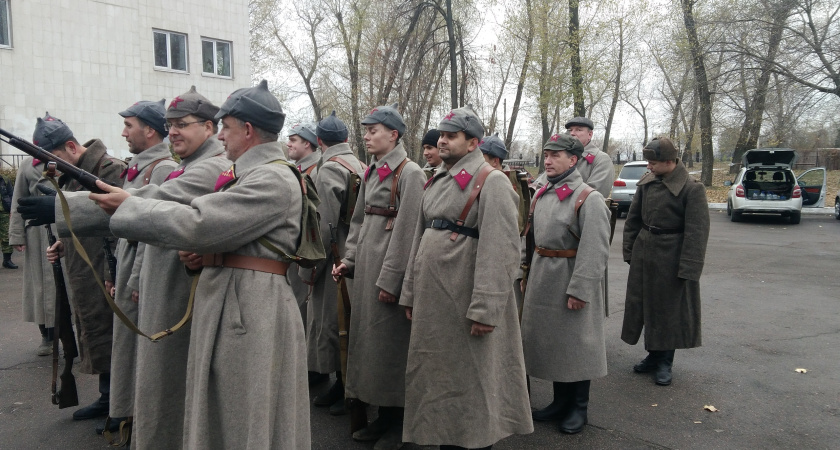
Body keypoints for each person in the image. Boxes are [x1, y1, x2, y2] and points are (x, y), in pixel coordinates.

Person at [90, 80, 310, 449]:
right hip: (236, 298)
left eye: (225, 127)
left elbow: (200, 223)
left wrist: (129, 207)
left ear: (248, 130)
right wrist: (204, 257)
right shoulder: (249, 172)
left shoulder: (271, 177)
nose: (220, 136)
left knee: (244, 412)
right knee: (225, 409)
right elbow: (228, 236)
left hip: (252, 307)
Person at [28, 86, 231, 449]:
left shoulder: (203, 167)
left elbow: (151, 202)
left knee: (165, 373)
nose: (174, 133)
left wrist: (66, 208)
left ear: (209, 128)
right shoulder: (187, 165)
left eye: (182, 124)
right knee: (155, 372)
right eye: (171, 125)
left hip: (171, 281)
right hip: (158, 275)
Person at [400, 106, 533, 450]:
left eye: (450, 136)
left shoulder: (493, 181)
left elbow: (501, 250)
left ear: (473, 143)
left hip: (465, 299)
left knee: (472, 383)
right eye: (441, 135)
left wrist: (486, 309)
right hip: (435, 299)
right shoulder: (437, 177)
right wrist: (410, 292)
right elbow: (419, 239)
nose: (441, 141)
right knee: (439, 380)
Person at [332, 103, 425, 450]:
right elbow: (358, 222)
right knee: (370, 349)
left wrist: (392, 279)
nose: (367, 136)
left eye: (374, 130)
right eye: (366, 130)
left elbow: (408, 231)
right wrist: (349, 260)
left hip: (390, 274)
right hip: (367, 270)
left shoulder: (409, 172)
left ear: (394, 134)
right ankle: (384, 417)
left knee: (391, 349)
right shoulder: (373, 170)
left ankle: (399, 423)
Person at [38, 113, 127, 425]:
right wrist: (64, 243)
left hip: (107, 267)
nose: (51, 166)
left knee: (113, 334)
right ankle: (107, 397)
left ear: (71, 147)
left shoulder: (109, 168)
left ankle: (121, 403)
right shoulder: (75, 173)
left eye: (55, 158)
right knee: (97, 332)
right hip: (86, 266)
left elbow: (117, 219)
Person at [520, 133, 611, 435]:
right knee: (555, 344)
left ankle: (578, 408)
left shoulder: (589, 198)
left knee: (575, 345)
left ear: (573, 160)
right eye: (546, 154)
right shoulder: (541, 193)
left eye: (556, 155)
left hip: (570, 276)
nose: (548, 160)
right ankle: (560, 402)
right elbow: (529, 236)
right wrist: (524, 270)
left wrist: (581, 289)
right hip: (543, 275)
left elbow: (595, 248)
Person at [103, 99, 178, 434]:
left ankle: (136, 416)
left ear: (150, 130)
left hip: (140, 267)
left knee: (138, 345)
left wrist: (136, 280)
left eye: (129, 125)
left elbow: (154, 232)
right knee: (126, 344)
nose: (124, 133)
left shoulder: (161, 169)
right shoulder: (137, 167)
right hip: (127, 263)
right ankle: (125, 410)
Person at [621, 137, 709, 386]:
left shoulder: (692, 189)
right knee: (646, 307)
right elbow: (633, 220)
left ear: (669, 162)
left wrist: (689, 267)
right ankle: (653, 355)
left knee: (668, 311)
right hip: (644, 252)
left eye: (653, 162)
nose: (649, 167)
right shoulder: (647, 183)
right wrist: (630, 250)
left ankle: (664, 362)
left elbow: (697, 233)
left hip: (672, 258)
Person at [301, 111, 365, 415]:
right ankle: (346, 387)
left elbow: (322, 223)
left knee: (333, 323)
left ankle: (345, 388)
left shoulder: (328, 169)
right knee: (347, 323)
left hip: (335, 257)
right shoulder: (360, 164)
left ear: (318, 141)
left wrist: (308, 267)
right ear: (348, 139)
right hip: (356, 254)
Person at [9, 152, 57, 356]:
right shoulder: (28, 165)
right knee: (40, 287)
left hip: (64, 230)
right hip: (37, 233)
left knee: (67, 287)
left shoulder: (67, 163)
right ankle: (46, 336)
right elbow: (18, 199)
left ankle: (70, 335)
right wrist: (17, 235)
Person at [285, 121, 321, 349]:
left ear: (307, 143)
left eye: (293, 140)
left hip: (306, 251)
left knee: (305, 308)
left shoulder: (316, 171)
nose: (288, 144)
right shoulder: (299, 170)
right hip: (294, 249)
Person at [532, 117, 615, 196]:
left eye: (578, 130)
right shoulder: (563, 157)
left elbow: (594, 193)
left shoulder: (601, 159)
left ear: (590, 134)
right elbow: (540, 185)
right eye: (570, 130)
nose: (572, 133)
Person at [1, 172, 18, 269]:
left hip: (4, 211)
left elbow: (12, 195)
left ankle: (7, 260)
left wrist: (12, 210)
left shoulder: (5, 179)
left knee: (7, 236)